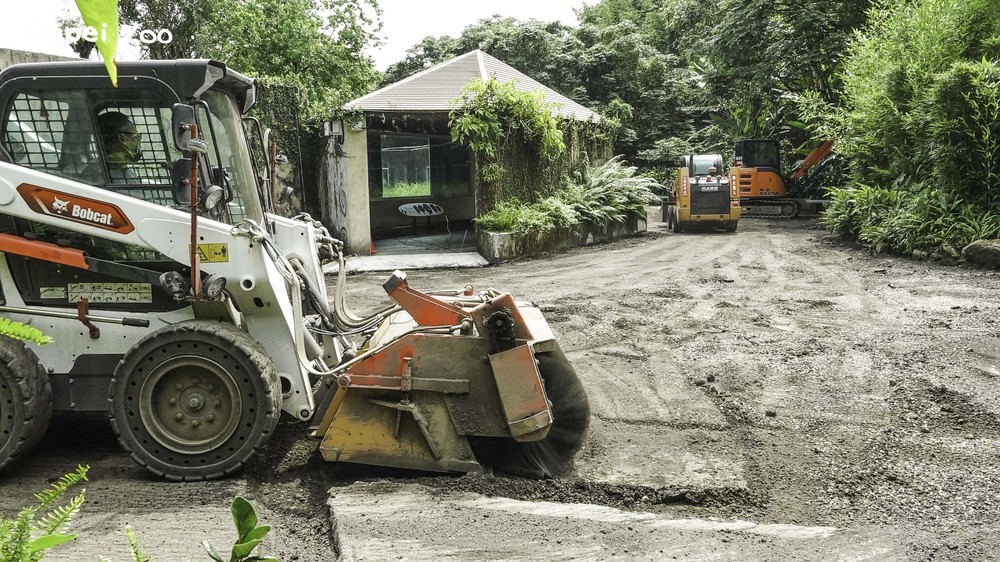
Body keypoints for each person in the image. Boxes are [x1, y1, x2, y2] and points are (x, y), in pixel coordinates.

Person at [81, 111, 142, 184]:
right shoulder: (99, 175)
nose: (138, 142)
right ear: (122, 139)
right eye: (135, 137)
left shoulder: (121, 169)